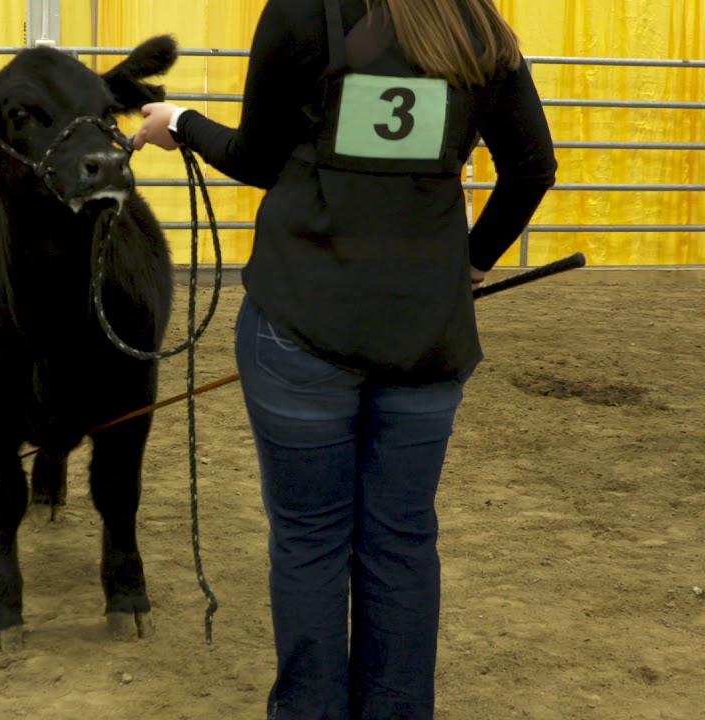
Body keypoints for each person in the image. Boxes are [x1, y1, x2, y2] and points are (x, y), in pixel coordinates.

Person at [133, 0, 556, 718]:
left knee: (308, 542)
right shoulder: (476, 23)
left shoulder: (302, 11)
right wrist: (472, 264)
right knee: (401, 543)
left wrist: (179, 124)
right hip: (424, 334)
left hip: (303, 324)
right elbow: (531, 167)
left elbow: (258, 160)